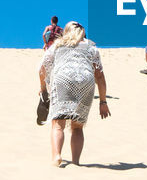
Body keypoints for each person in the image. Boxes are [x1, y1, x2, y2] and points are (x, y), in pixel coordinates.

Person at [38, 21, 110, 166]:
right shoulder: (91, 47)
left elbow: (42, 68)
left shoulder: (57, 45)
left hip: (62, 79)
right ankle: (76, 161)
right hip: (86, 81)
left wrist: (43, 88)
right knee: (77, 126)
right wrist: (103, 102)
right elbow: (100, 76)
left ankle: (56, 156)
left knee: (58, 124)